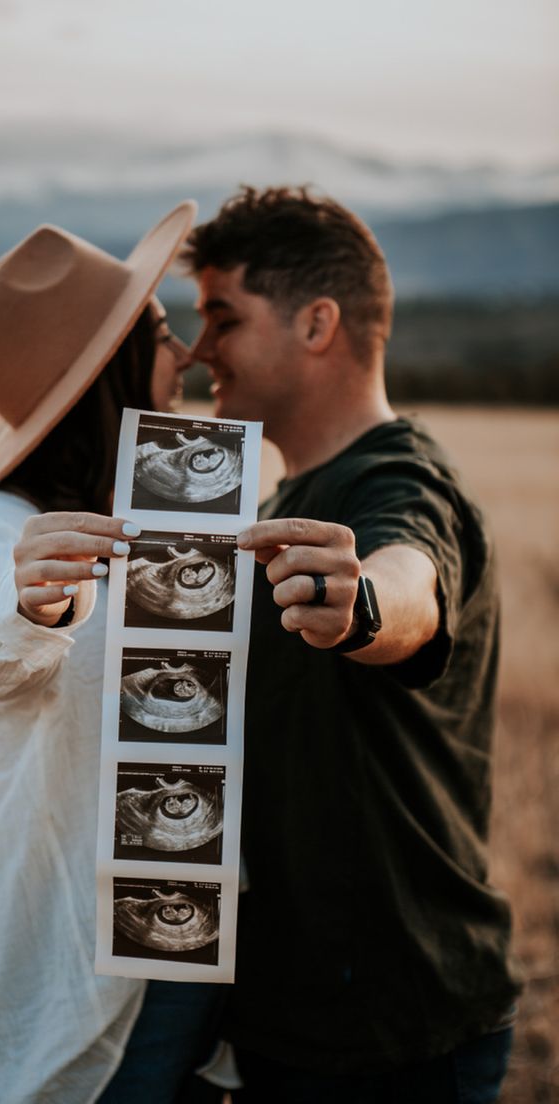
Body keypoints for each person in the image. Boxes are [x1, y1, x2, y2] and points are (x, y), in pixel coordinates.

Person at [181, 187, 522, 1103]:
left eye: (223, 317)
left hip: (395, 1032)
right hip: (284, 1023)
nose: (200, 348)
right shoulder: (276, 505)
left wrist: (360, 608)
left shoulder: (399, 480)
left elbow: (411, 580)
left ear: (317, 323)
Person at [0, 202, 225, 1104]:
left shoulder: (168, 518)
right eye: (166, 331)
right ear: (115, 368)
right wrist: (33, 604)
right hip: (79, 964)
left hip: (190, 943)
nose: (190, 354)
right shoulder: (1, 529)